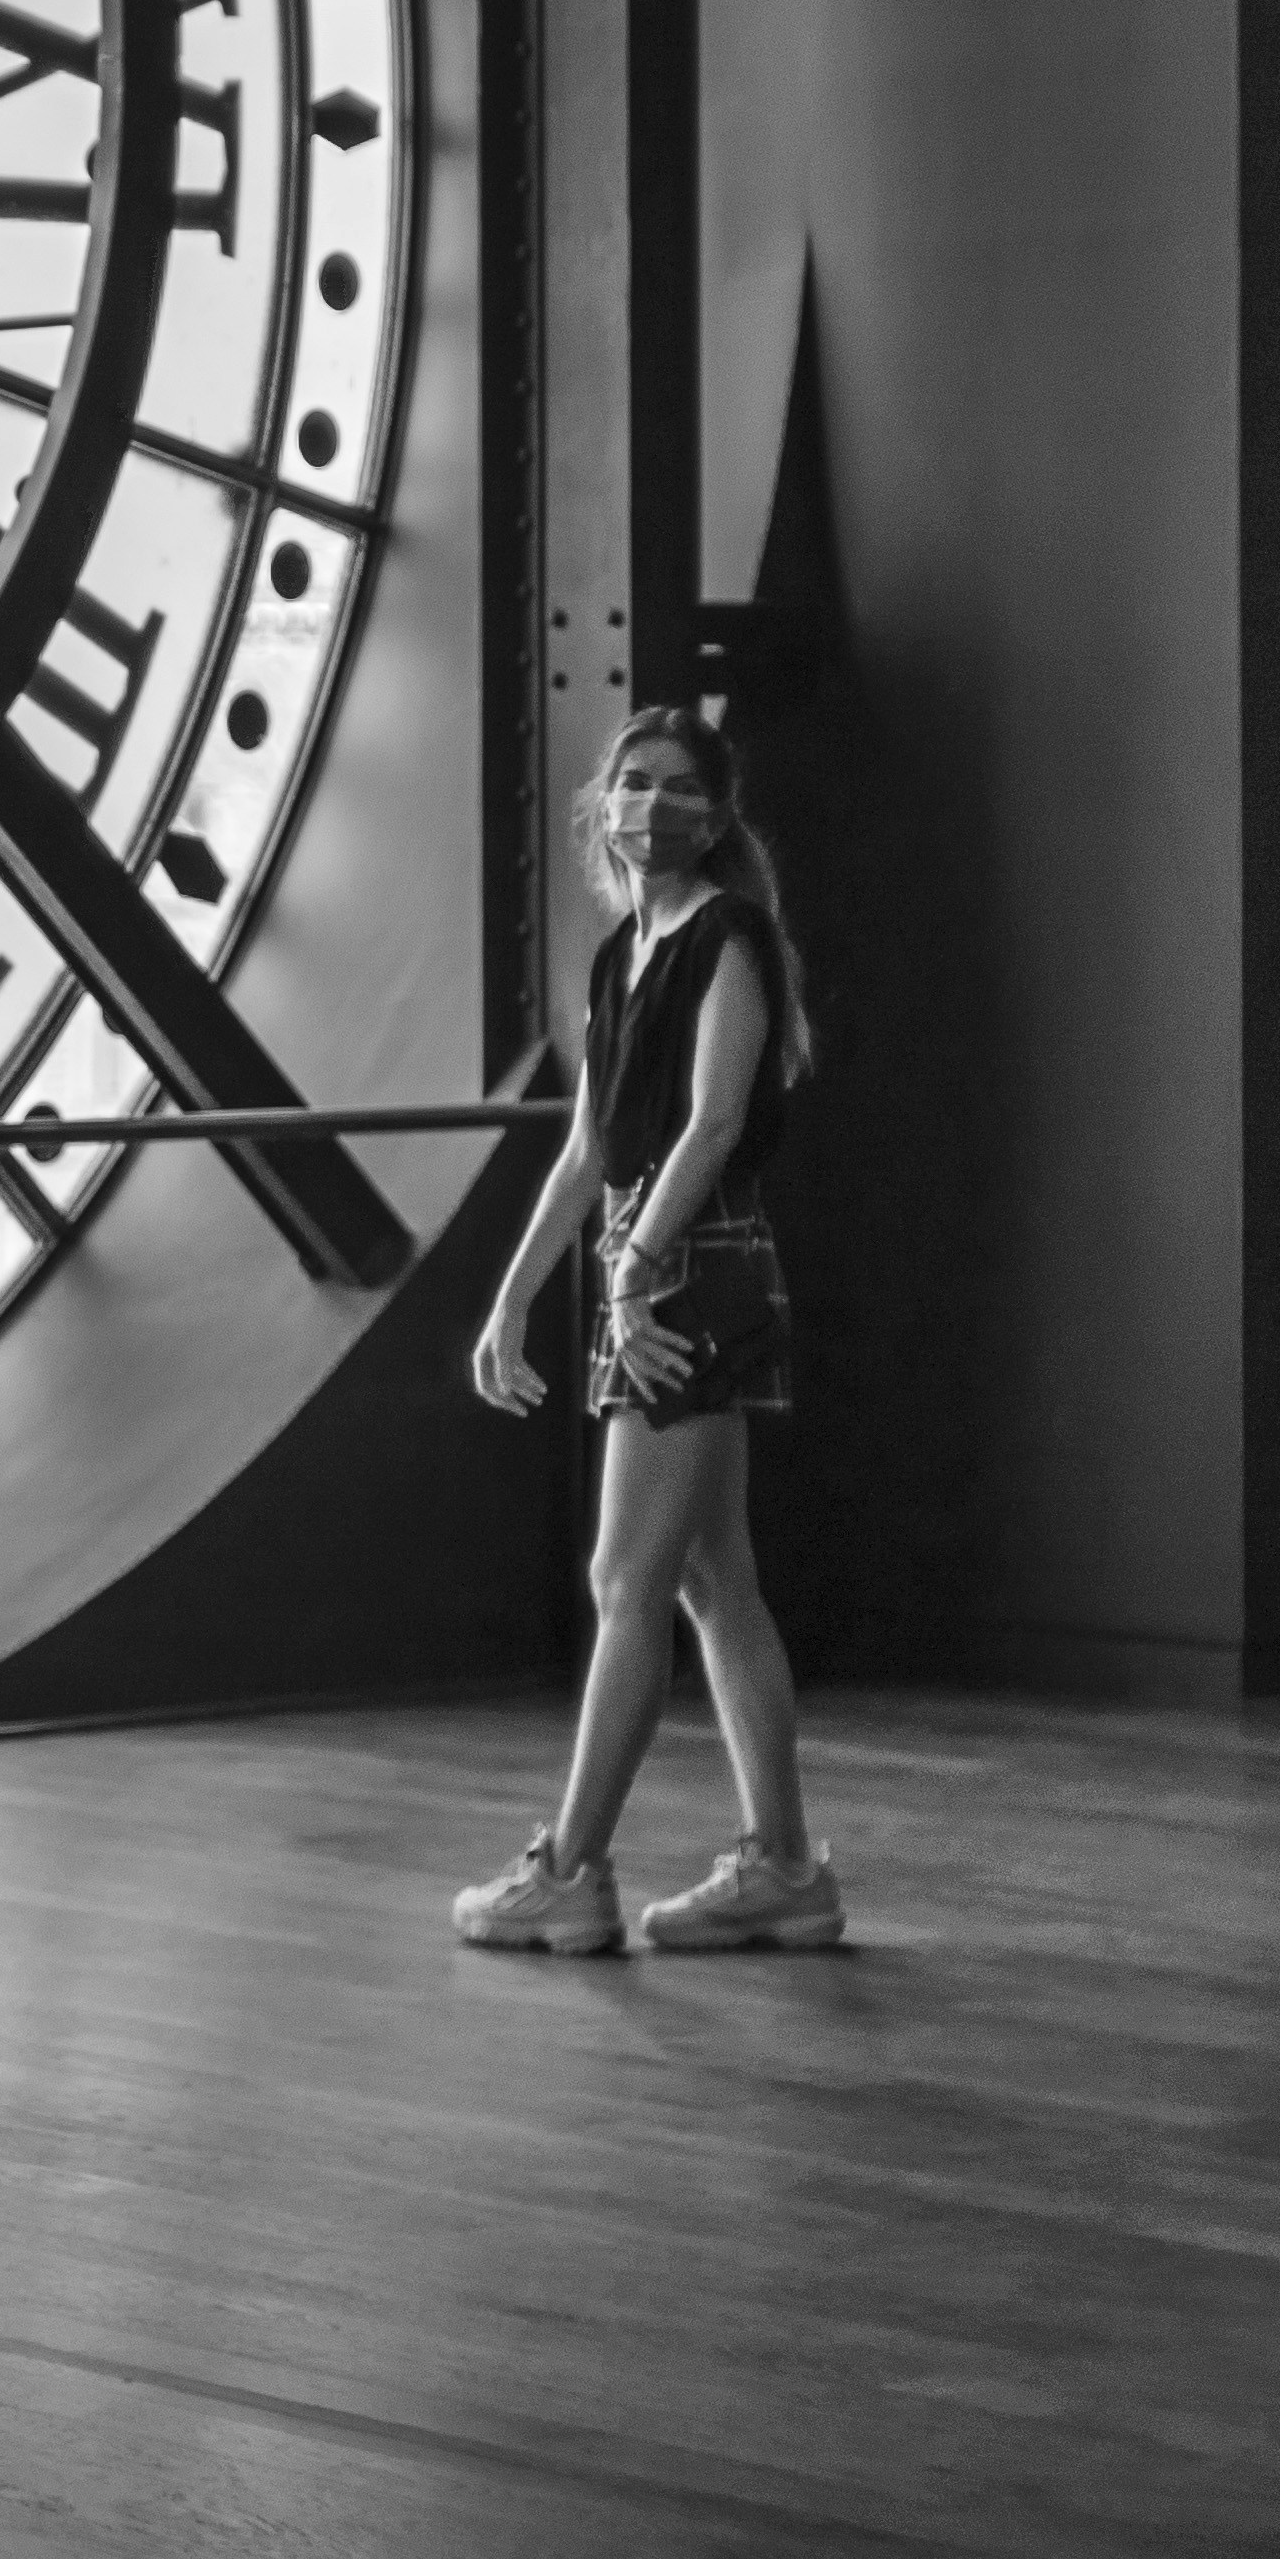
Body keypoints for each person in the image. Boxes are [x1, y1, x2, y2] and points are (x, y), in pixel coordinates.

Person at [453, 706, 845, 1952]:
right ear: (601, 802)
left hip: (689, 1261)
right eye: (633, 781)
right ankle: (784, 1866)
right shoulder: (622, 951)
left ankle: (572, 1871)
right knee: (709, 1579)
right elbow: (586, 1150)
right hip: (656, 1256)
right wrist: (515, 1292)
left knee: (627, 1578)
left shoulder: (729, 937)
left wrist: (634, 1271)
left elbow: (713, 1125)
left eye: (680, 787)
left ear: (718, 818)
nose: (651, 804)